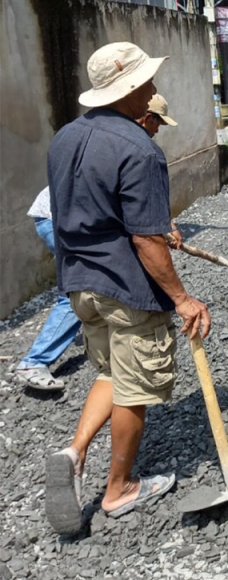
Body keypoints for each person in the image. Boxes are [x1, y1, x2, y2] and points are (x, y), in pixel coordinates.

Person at [43, 44, 211, 533]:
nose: (154, 92)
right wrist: (182, 298)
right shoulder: (140, 150)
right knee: (135, 387)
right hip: (125, 287)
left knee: (113, 373)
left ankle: (74, 454)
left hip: (80, 282)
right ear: (130, 90)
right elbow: (144, 238)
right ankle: (118, 490)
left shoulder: (65, 138)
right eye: (148, 84)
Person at [15, 96, 182, 393]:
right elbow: (134, 223)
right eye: (158, 122)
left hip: (58, 215)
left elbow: (134, 202)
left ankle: (95, 327)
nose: (158, 130)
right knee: (82, 285)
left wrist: (166, 225)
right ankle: (34, 361)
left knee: (87, 288)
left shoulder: (103, 136)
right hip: (55, 216)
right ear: (147, 116)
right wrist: (180, 298)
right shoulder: (131, 145)